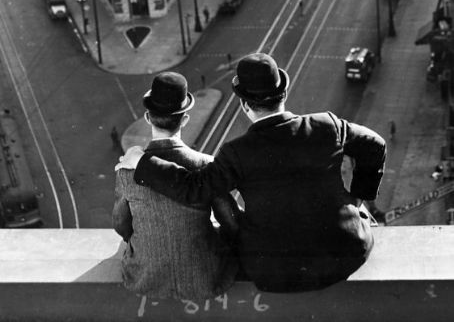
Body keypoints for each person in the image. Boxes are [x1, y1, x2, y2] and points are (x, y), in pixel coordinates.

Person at [116, 53, 386, 293]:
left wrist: (141, 162)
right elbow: (375, 145)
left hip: (276, 274)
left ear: (244, 105)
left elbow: (193, 187)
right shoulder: (327, 125)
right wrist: (359, 197)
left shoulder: (236, 153)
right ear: (284, 94)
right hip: (347, 253)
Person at [113, 72, 240, 299]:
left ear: (148, 118)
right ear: (185, 120)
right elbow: (230, 222)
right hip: (204, 279)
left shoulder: (127, 170)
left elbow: (121, 224)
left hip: (146, 279)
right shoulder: (206, 164)